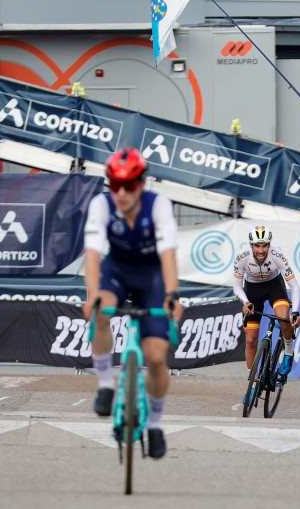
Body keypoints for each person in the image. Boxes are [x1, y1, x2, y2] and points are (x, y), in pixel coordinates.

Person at [82, 147, 183, 459]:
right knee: (101, 310)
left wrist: (171, 296)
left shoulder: (159, 206)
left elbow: (168, 255)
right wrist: (91, 296)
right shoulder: (100, 205)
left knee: (155, 358)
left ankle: (154, 424)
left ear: (142, 183)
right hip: (118, 271)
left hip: (152, 275)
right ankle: (105, 384)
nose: (122, 193)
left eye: (129, 185)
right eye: (115, 185)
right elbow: (93, 255)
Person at [233, 225, 300, 385]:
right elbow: (237, 286)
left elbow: (295, 287)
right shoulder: (242, 257)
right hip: (252, 291)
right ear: (251, 245)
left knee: (284, 318)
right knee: (250, 340)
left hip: (274, 287)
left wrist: (296, 312)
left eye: (264, 245)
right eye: (257, 245)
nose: (261, 250)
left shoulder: (277, 255)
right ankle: (253, 383)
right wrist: (245, 302)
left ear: (269, 245)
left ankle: (288, 354)